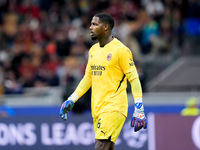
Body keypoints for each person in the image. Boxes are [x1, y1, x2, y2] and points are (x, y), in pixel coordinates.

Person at [60, 13, 147, 150]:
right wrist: (72, 98)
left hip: (114, 106)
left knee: (100, 146)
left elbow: (134, 79)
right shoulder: (93, 50)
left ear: (106, 27)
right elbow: (88, 78)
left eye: (94, 24)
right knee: (107, 147)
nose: (90, 27)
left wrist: (139, 108)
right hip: (98, 108)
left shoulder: (121, 50)